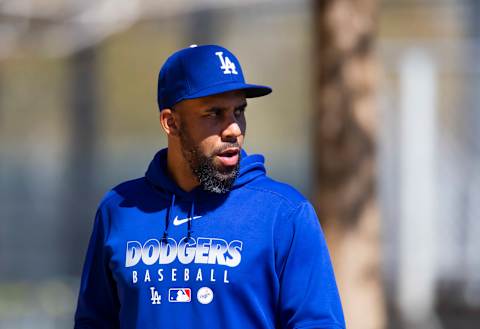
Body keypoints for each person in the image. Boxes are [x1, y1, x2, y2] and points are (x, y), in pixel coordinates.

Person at [74, 44, 346, 329]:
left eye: (238, 111)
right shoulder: (119, 208)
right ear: (171, 123)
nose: (234, 129)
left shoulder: (285, 214)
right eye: (214, 114)